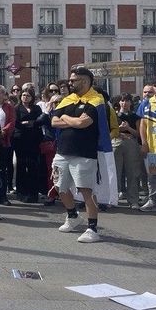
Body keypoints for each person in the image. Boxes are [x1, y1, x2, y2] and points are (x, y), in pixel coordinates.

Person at [52, 67, 106, 242]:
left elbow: (84, 123)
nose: (70, 83)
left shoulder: (96, 100)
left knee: (86, 190)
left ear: (84, 81)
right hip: (63, 151)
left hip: (84, 153)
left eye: (73, 80)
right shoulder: (68, 99)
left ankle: (92, 228)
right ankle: (73, 216)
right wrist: (71, 120)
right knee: (59, 185)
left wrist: (66, 119)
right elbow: (54, 121)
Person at [13, 88, 44, 203]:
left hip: (34, 141)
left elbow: (40, 121)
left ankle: (33, 193)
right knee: (21, 166)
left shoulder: (36, 108)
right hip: (20, 140)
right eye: (23, 95)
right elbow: (16, 123)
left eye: (28, 95)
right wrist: (30, 124)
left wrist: (29, 123)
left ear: (32, 97)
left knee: (33, 166)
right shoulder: (16, 108)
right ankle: (21, 193)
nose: (25, 97)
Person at [113, 94, 142, 208]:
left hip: (131, 143)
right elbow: (110, 130)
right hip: (116, 142)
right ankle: (113, 198)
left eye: (127, 101)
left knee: (132, 172)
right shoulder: (114, 115)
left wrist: (128, 128)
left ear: (131, 103)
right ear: (119, 102)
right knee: (115, 172)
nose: (124, 103)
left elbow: (138, 134)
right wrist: (119, 129)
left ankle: (133, 199)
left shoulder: (135, 116)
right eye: (122, 101)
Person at [0, 85, 15, 205]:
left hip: (3, 141)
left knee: (2, 169)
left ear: (4, 95)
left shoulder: (9, 107)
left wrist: (3, 132)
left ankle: (2, 196)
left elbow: (11, 121)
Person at [137, 84, 156, 212]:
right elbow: (142, 125)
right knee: (153, 175)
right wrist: (144, 143)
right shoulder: (147, 103)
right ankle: (152, 201)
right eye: (155, 85)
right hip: (153, 148)